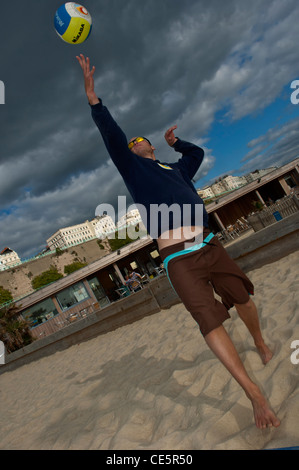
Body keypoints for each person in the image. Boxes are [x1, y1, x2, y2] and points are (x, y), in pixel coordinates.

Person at [76, 54, 280, 429]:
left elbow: (198, 154)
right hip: (178, 260)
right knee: (209, 322)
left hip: (209, 244)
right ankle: (253, 393)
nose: (136, 142)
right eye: (133, 141)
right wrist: (95, 101)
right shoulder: (133, 169)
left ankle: (261, 343)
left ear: (152, 146)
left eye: (142, 140)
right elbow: (113, 138)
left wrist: (178, 142)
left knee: (244, 298)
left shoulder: (176, 168)